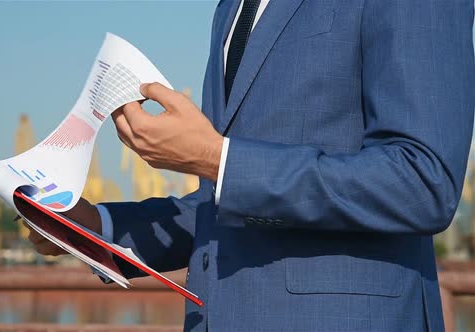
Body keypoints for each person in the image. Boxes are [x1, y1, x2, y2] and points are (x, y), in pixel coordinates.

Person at [26, 0, 475, 330]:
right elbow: (229, 198)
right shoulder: (231, 9)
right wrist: (92, 228)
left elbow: (422, 182)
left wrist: (215, 158)